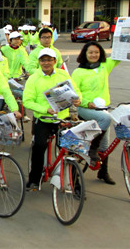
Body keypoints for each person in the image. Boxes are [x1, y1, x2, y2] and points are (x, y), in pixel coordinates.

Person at [23, 48, 82, 191]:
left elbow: (76, 91)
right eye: (43, 60)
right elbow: (27, 101)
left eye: (49, 60)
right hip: (44, 119)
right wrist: (45, 110)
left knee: (70, 149)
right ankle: (34, 179)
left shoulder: (63, 74)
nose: (46, 63)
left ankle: (75, 184)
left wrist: (78, 99)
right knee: (39, 146)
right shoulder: (34, 78)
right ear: (39, 62)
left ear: (55, 61)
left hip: (62, 118)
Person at [71, 41, 120, 185]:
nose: (94, 55)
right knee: (106, 119)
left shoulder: (105, 66)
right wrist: (87, 103)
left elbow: (121, 54)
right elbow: (75, 92)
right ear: (85, 54)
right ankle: (92, 149)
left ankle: (103, 171)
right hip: (85, 108)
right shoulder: (78, 72)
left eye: (97, 52)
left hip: (102, 108)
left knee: (105, 146)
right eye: (91, 52)